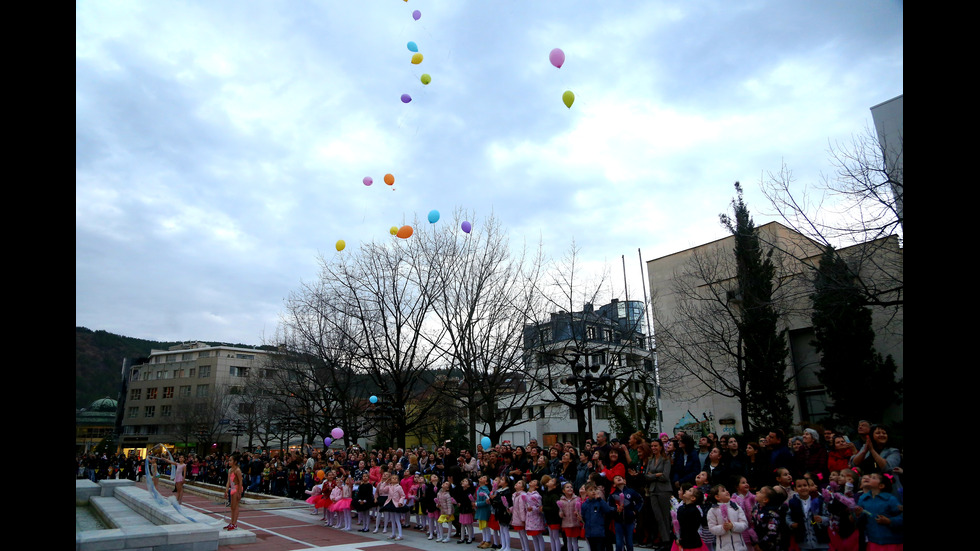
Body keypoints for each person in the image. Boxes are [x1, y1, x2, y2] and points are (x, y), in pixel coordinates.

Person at [854, 473, 903, 550]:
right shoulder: (863, 499)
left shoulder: (890, 499)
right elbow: (861, 521)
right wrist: (857, 515)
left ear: (881, 486)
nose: (869, 478)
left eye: (873, 478)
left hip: (891, 542)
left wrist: (889, 521)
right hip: (873, 540)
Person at [641, 440, 674, 551]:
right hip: (653, 490)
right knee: (658, 517)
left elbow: (665, 476)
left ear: (660, 447)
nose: (653, 448)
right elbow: (646, 476)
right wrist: (656, 475)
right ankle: (664, 539)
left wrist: (652, 475)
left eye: (656, 446)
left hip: (664, 490)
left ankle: (667, 541)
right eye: (652, 446)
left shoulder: (666, 460)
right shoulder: (650, 460)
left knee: (665, 516)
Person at [786, 477, 829, 550]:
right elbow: (788, 516)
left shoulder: (819, 501)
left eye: (805, 485)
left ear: (809, 487)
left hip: (821, 541)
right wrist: (791, 524)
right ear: (795, 489)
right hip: (803, 543)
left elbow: (828, 516)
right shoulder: (793, 503)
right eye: (799, 486)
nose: (803, 488)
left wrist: (821, 519)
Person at [706, 484, 748, 551]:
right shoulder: (712, 511)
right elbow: (712, 528)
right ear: (717, 497)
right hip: (723, 548)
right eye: (723, 491)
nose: (727, 491)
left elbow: (744, 524)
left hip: (740, 547)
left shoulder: (736, 507)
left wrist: (733, 525)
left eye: (726, 490)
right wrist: (723, 528)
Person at [608, 474, 643, 551]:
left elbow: (640, 501)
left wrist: (635, 511)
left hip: (630, 521)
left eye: (620, 477)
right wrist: (616, 509)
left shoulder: (631, 492)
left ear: (625, 481)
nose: (619, 478)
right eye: (616, 478)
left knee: (629, 543)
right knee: (619, 543)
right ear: (614, 484)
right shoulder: (613, 495)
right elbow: (609, 506)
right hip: (618, 521)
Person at [752, 486, 789, 551]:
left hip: (770, 546)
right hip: (757, 542)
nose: (757, 492)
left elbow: (772, 532)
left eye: (760, 492)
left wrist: (761, 545)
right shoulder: (756, 509)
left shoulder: (771, 514)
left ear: (765, 500)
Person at [580, 483, 614, 551]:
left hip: (599, 533)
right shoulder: (584, 505)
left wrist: (600, 500)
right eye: (591, 490)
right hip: (589, 533)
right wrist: (580, 518)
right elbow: (583, 518)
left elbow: (607, 510)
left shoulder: (599, 502)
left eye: (594, 490)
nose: (593, 491)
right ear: (586, 492)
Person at [675, 484, 708, 551]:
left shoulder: (694, 511)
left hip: (692, 543)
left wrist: (682, 540)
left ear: (693, 498)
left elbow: (691, 529)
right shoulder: (681, 508)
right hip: (683, 540)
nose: (686, 491)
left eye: (689, 491)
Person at [557, 481, 582, 551]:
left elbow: (579, 510)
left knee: (575, 540)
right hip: (566, 523)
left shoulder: (576, 499)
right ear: (563, 491)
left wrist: (578, 513)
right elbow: (560, 511)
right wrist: (561, 514)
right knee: (568, 539)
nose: (570, 488)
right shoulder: (561, 500)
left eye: (571, 487)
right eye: (567, 487)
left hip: (575, 523)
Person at [540, 476, 563, 551]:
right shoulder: (546, 494)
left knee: (555, 536)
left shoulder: (554, 495)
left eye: (552, 481)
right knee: (551, 536)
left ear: (554, 486)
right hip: (549, 518)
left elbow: (555, 508)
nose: (549, 481)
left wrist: (543, 508)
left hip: (554, 518)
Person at [523, 479, 547, 551]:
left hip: (536, 517)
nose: (531, 481)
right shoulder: (526, 494)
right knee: (533, 536)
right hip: (529, 517)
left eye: (534, 481)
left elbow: (539, 507)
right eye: (532, 481)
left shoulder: (537, 495)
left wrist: (533, 508)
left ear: (536, 486)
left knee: (538, 535)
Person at [225, 453, 243, 531]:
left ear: (235, 461)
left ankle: (234, 523)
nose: (229, 462)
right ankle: (231, 522)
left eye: (231, 460)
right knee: (232, 506)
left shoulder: (237, 470)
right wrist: (226, 491)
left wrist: (239, 492)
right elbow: (228, 481)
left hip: (236, 488)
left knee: (235, 506)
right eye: (229, 460)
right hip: (232, 488)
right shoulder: (230, 470)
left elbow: (240, 481)